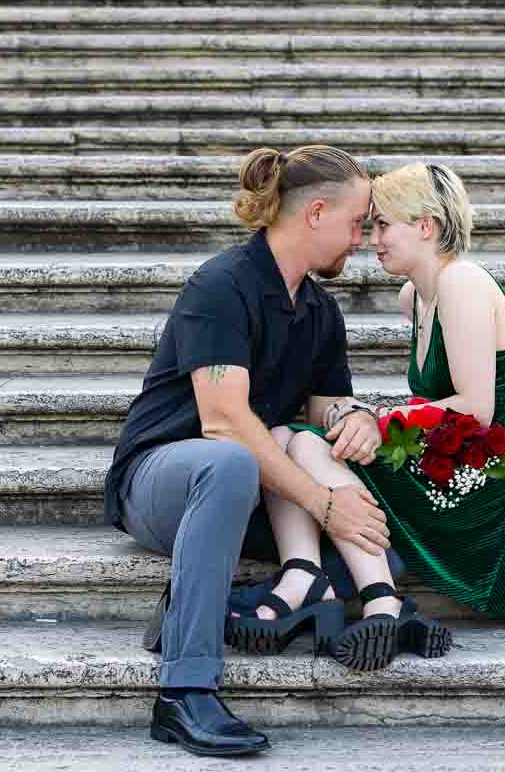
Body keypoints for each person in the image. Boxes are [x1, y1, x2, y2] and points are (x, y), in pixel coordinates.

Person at [103, 145, 398, 758]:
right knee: (234, 458)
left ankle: (227, 600)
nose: (363, 239)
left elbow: (323, 415)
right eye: (356, 222)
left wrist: (360, 419)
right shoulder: (222, 284)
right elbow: (223, 422)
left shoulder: (319, 310)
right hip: (165, 480)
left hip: (245, 498)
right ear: (315, 212)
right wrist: (324, 505)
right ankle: (183, 692)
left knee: (379, 560)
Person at [262, 162, 505, 652]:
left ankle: (375, 598)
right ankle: (309, 576)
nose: (372, 240)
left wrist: (380, 421)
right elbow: (433, 407)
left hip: (497, 476)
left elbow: (475, 411)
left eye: (383, 224)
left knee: (306, 441)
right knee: (285, 436)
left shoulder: (462, 282)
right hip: (451, 455)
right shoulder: (414, 296)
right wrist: (371, 421)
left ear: (425, 226)